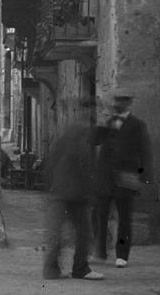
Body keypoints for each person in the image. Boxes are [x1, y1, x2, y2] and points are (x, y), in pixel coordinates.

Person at [94, 89, 153, 268]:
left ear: (129, 104)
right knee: (98, 216)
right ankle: (100, 252)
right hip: (105, 178)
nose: (117, 104)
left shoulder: (138, 125)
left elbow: (145, 151)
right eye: (116, 101)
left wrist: (144, 176)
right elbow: (95, 142)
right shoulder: (109, 122)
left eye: (122, 101)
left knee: (124, 218)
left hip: (126, 177)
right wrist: (103, 123)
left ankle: (122, 255)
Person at [43, 117, 104, 281]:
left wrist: (50, 188)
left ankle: (51, 269)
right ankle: (80, 268)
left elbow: (49, 166)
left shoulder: (61, 143)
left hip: (59, 194)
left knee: (56, 233)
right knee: (84, 233)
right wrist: (92, 193)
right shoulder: (83, 145)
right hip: (76, 196)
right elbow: (87, 171)